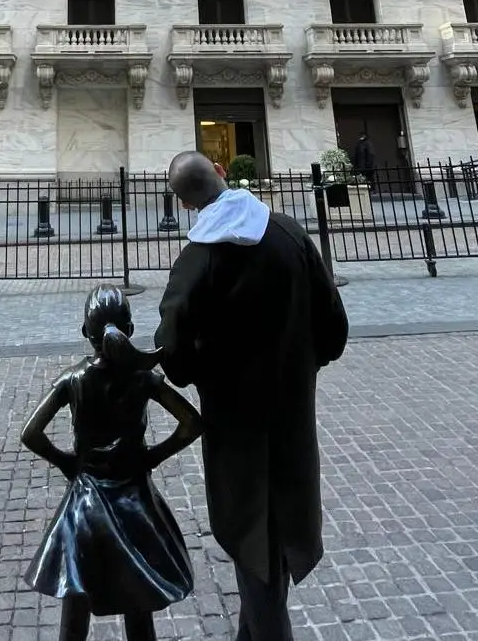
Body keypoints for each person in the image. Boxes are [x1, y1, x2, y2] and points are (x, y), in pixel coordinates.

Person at [154, 151, 349, 641]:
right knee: (276, 526)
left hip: (235, 418)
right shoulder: (289, 232)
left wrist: (201, 373)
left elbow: (171, 347)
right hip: (291, 408)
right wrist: (302, 363)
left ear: (184, 204)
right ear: (222, 172)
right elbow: (334, 326)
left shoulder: (198, 260)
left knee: (253, 531)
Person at [22, 284, 204, 641]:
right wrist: (152, 456)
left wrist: (66, 462)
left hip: (85, 506)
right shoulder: (142, 378)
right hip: (134, 503)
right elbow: (191, 423)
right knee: (139, 596)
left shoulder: (73, 379)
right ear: (130, 331)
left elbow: (31, 433)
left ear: (84, 333)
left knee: (75, 595)